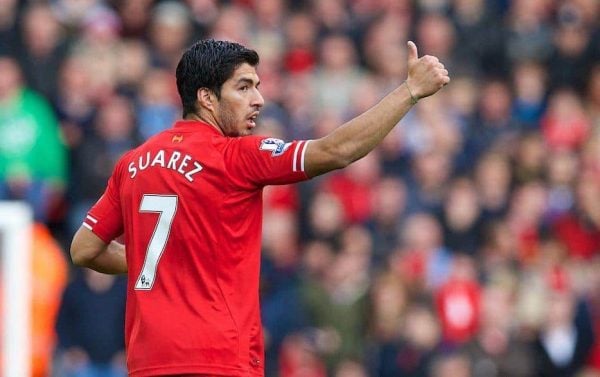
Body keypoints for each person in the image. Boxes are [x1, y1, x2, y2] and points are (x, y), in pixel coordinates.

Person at [70, 39, 449, 376]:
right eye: (244, 87)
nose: (259, 99)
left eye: (258, 86)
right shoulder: (236, 156)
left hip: (147, 362)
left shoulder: (134, 162)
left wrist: (163, 258)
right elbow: (336, 150)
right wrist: (410, 91)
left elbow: (84, 249)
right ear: (207, 98)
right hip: (217, 359)